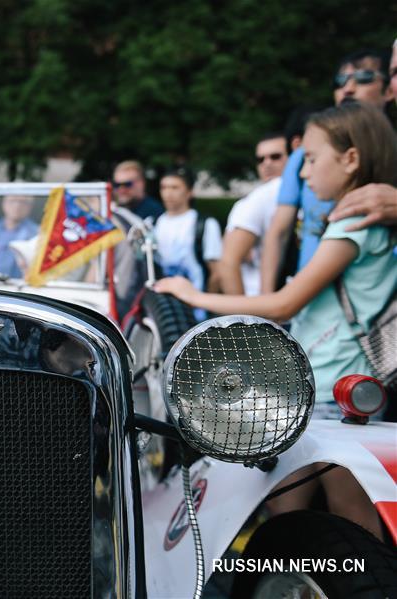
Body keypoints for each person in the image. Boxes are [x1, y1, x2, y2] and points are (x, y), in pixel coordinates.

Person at [157, 103, 396, 540]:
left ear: (351, 159)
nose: (302, 174)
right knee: (309, 509)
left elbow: (285, 303)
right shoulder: (365, 224)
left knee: (332, 515)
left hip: (332, 391)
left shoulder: (353, 226)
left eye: (310, 158)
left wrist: (193, 295)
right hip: (335, 389)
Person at [261, 48, 394, 293]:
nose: (349, 88)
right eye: (340, 81)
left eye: (364, 78)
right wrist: (267, 302)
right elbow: (278, 232)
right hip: (310, 303)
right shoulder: (302, 157)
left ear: (389, 90)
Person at [217, 133, 288, 295]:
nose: (267, 164)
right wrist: (246, 318)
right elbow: (228, 263)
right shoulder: (259, 197)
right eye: (260, 159)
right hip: (259, 303)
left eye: (275, 157)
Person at [153, 167, 222, 311]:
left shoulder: (205, 223)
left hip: (198, 311)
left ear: (190, 192)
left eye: (175, 187)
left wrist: (206, 308)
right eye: (164, 187)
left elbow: (216, 273)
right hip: (166, 309)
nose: (168, 193)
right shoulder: (154, 223)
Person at [0, 195, 39, 278]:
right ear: (4, 204)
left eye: (23, 202)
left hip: (23, 287)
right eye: (12, 201)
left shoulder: (38, 233)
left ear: (30, 206)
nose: (17, 205)